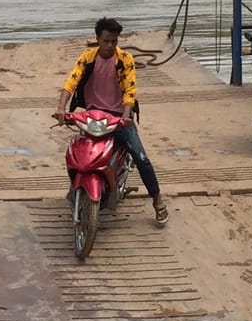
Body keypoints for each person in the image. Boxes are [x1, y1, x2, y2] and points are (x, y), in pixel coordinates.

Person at [56, 17, 168, 225]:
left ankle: (157, 200)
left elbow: (130, 90)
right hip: (92, 115)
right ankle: (75, 188)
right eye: (106, 41)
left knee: (140, 157)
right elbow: (70, 82)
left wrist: (126, 117)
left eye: (114, 41)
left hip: (117, 116)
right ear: (98, 39)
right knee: (78, 151)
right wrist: (61, 109)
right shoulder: (87, 58)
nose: (110, 46)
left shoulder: (125, 59)